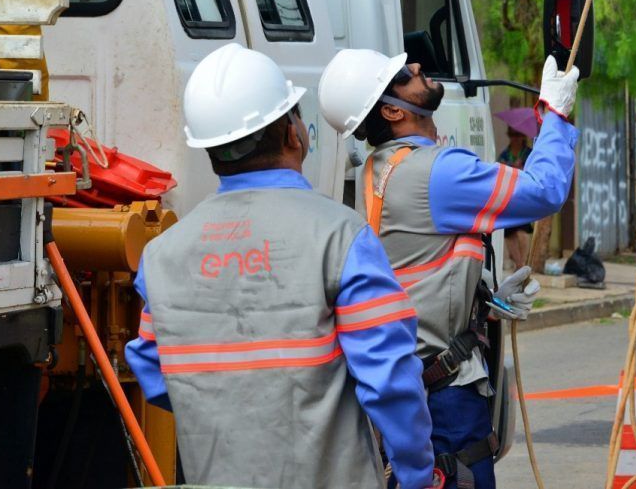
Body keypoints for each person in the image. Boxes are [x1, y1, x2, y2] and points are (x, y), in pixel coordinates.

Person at [125, 44, 443, 489]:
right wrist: (416, 475)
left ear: (211, 150)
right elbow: (390, 380)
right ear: (293, 133)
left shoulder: (162, 255)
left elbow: (153, 370)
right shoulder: (339, 235)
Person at [318, 50, 579, 489]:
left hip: (410, 389)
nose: (418, 66)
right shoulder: (438, 172)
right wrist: (554, 114)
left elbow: (411, 267)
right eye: (404, 74)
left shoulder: (374, 171)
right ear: (392, 110)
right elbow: (545, 190)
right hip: (446, 399)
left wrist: (481, 300)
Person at [497, 126, 534, 270]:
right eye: (513, 135)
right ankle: (518, 264)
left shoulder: (529, 154)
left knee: (523, 231)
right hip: (508, 196)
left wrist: (521, 169)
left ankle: (524, 262)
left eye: (518, 135)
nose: (515, 139)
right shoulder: (505, 155)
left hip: (524, 195)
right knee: (509, 232)